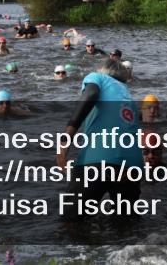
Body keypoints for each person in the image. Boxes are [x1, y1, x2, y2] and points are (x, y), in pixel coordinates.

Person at [55, 58, 142, 219]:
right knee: (126, 225)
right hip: (133, 166)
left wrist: (66, 141)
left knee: (71, 220)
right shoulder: (127, 94)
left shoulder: (97, 77)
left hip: (100, 159)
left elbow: (91, 93)